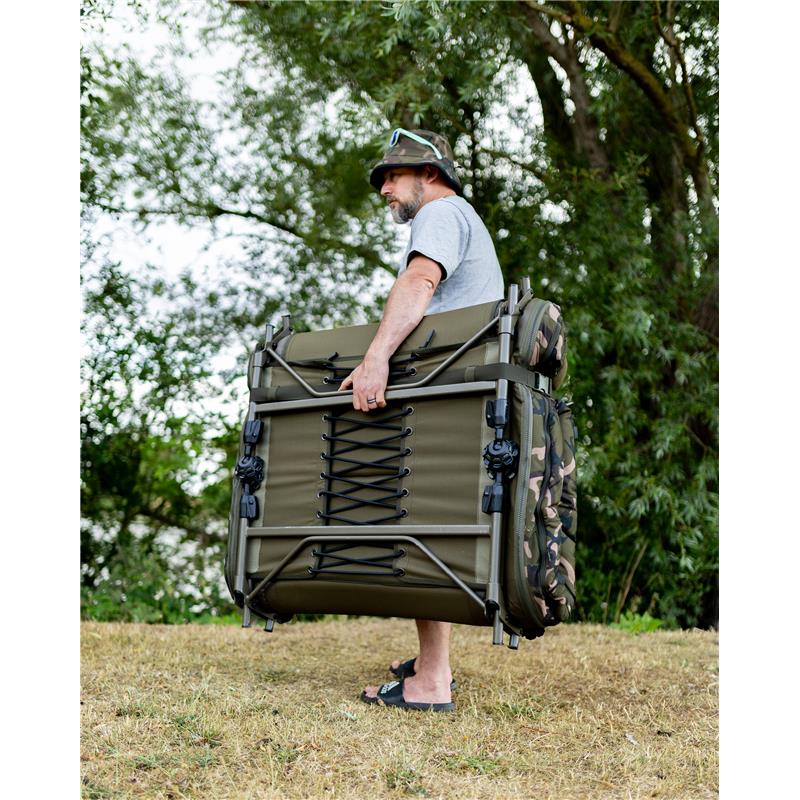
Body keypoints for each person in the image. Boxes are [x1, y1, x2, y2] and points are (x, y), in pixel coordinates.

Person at [338, 128, 504, 711]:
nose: (385, 188)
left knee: (419, 517)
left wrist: (375, 358)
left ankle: (431, 683)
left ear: (428, 174)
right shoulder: (460, 217)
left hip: (452, 391)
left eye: (393, 175)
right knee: (427, 518)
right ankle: (434, 666)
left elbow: (418, 280)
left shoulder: (440, 213)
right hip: (462, 386)